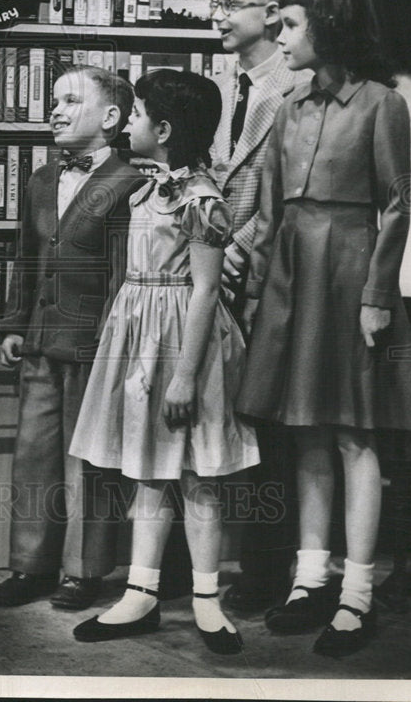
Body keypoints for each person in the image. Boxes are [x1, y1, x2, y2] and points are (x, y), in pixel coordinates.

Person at [236, 0, 411, 657]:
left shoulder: (382, 105)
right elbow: (266, 211)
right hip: (291, 278)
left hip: (349, 276)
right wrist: (259, 288)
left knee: (355, 433)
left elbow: (397, 206)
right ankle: (308, 578)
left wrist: (377, 296)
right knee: (303, 430)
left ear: (330, 29)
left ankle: (355, 595)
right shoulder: (287, 105)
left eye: (288, 25)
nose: (278, 37)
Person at [69, 69, 259, 654]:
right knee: (146, 469)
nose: (129, 122)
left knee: (200, 474)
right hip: (140, 334)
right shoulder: (148, 189)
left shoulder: (201, 199)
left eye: (138, 113)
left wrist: (184, 373)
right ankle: (141, 591)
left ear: (166, 128)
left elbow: (205, 290)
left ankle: (206, 598)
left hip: (184, 341)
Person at [0, 65, 144, 611]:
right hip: (39, 343)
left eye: (70, 101)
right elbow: (26, 259)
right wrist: (14, 325)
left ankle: (85, 571)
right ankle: (31, 567)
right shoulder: (40, 179)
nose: (55, 110)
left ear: (110, 117)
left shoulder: (132, 183)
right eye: (54, 100)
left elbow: (125, 276)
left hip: (93, 345)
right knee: (34, 456)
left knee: (90, 465)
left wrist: (113, 343)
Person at [208, 0, 303, 614]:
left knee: (273, 431)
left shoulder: (293, 89)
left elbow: (291, 190)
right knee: (239, 423)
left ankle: (272, 570)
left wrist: (241, 247)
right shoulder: (228, 86)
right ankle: (245, 562)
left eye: (230, 3)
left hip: (268, 281)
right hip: (223, 282)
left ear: (272, 14)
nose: (217, 14)